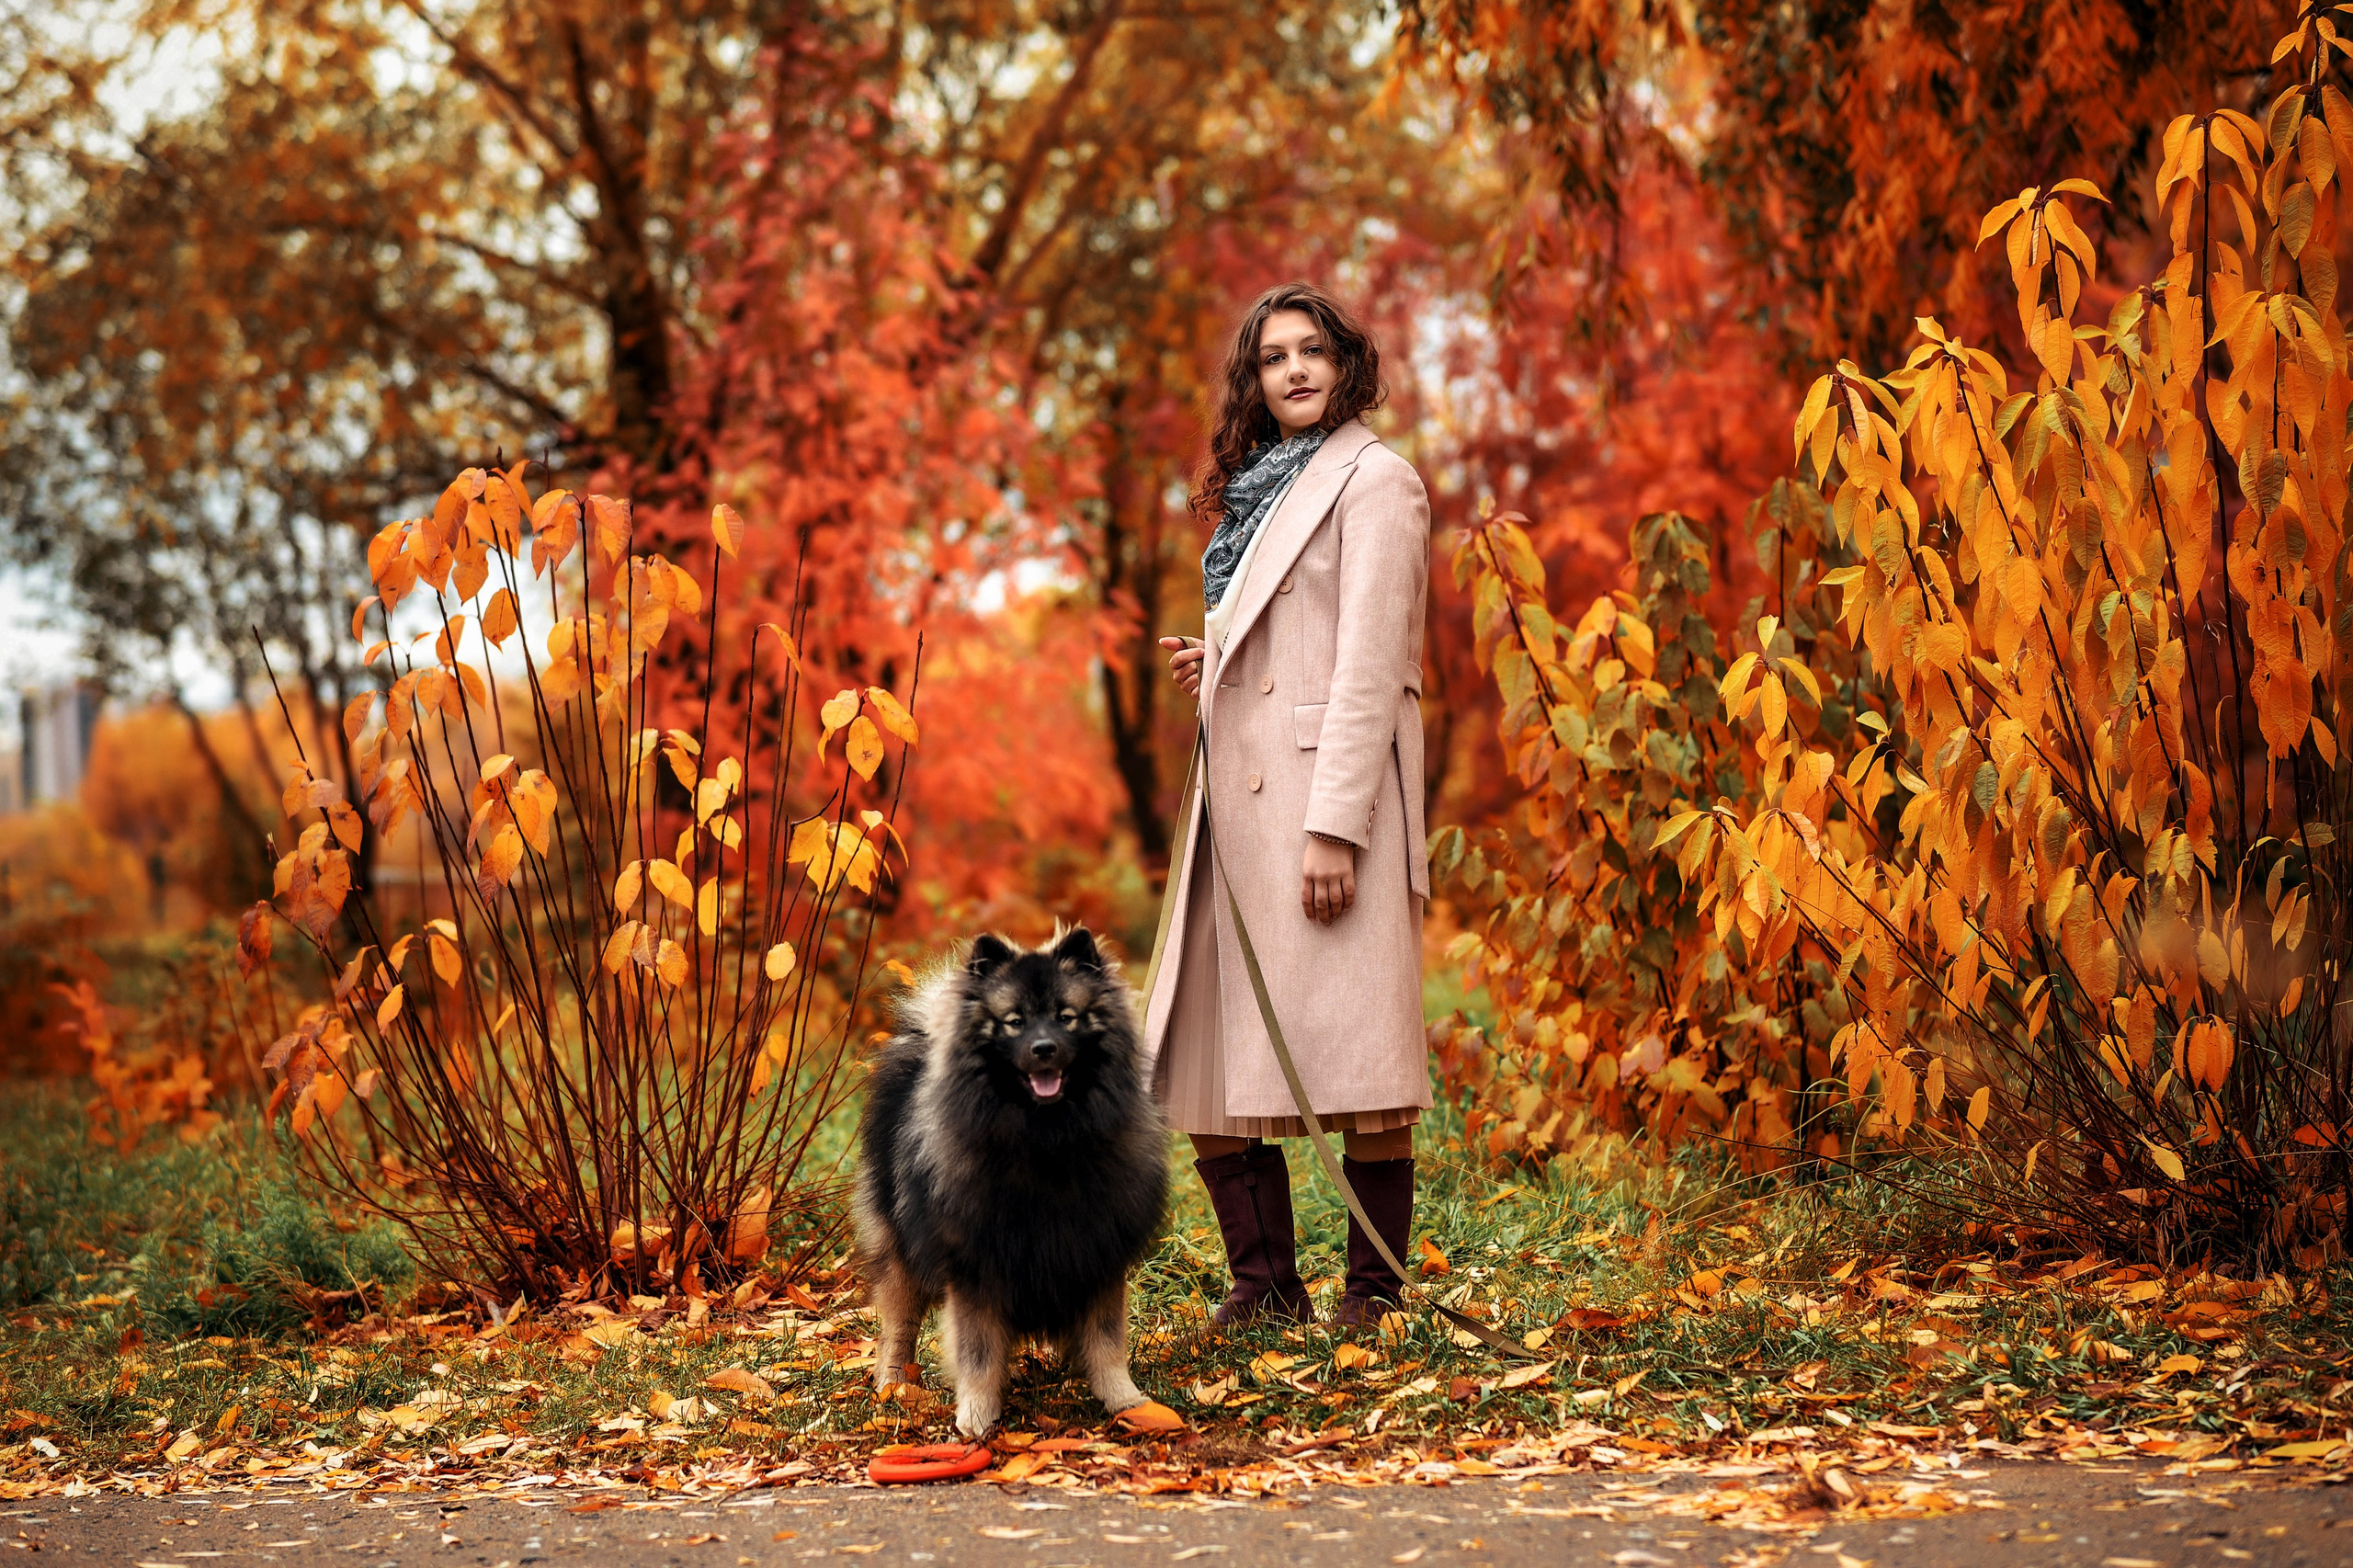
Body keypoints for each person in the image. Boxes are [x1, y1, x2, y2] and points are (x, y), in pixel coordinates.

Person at [1143, 281, 1431, 1329]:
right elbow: (1287, 633)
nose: (1295, 370)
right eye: (1274, 358)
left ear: (1345, 364)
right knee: (1203, 1051)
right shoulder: (1259, 488)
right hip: (1236, 804)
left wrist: (1334, 828)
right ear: (1254, 380)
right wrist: (1213, 652)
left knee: (1366, 1063)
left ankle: (1374, 1294)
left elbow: (1369, 667)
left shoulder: (1377, 480)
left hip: (1320, 802)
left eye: (1313, 351)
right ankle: (1264, 1287)